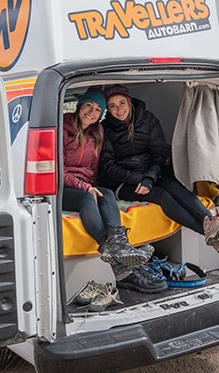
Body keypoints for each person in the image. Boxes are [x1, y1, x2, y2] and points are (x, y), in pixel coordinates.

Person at [98, 84, 219, 281]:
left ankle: (211, 223)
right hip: (122, 182)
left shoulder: (147, 119)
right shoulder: (104, 129)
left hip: (150, 173)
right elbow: (107, 166)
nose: (119, 109)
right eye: (113, 106)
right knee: (162, 196)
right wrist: (138, 180)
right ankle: (208, 231)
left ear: (129, 101)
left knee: (174, 185)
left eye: (122, 103)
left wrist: (150, 177)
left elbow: (159, 153)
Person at [62, 89, 154, 290]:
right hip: (60, 188)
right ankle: (110, 248)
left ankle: (118, 244)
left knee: (107, 193)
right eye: (88, 105)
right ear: (79, 106)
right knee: (87, 198)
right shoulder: (61, 128)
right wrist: (85, 188)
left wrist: (92, 187)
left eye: (97, 109)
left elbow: (93, 168)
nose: (91, 112)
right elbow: (57, 170)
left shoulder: (97, 133)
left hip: (84, 185)